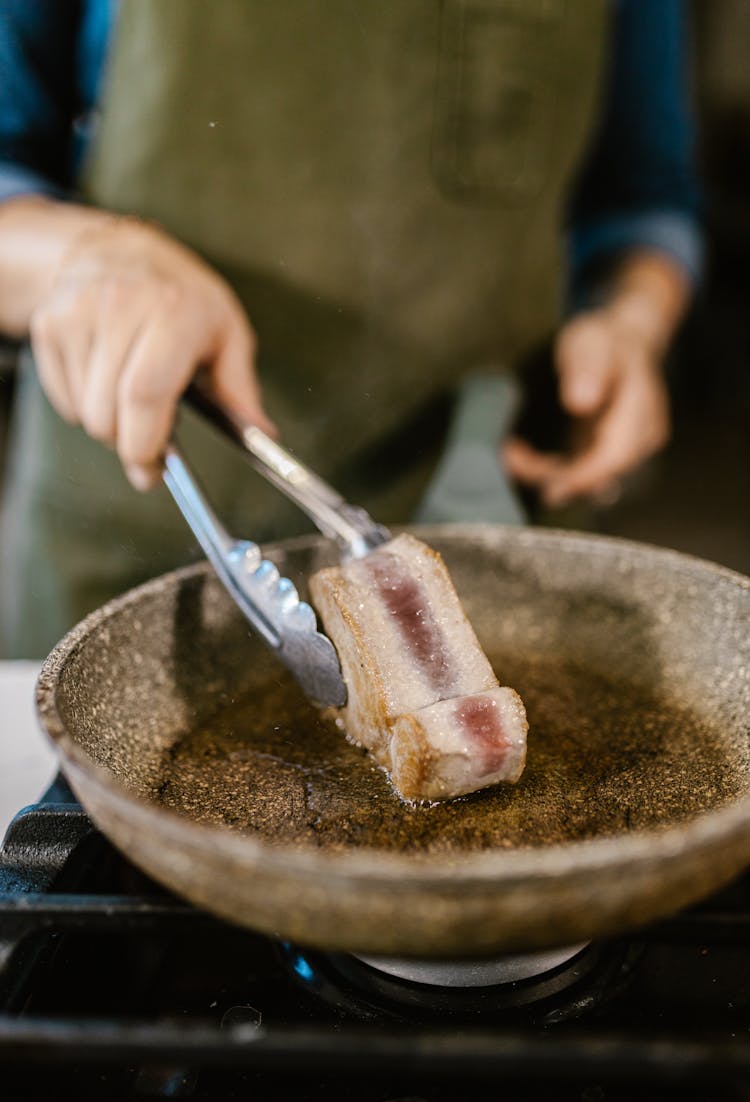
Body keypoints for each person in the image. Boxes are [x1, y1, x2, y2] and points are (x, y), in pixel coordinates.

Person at [0, 0, 702, 658]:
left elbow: (643, 199)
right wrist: (80, 258)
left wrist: (629, 322)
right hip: (139, 531)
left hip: (485, 516)